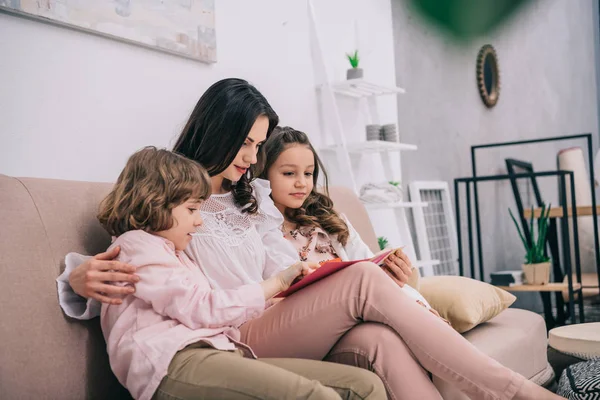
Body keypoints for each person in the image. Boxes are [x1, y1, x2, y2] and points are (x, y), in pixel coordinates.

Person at [59, 78, 561, 400]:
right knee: (362, 282)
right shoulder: (174, 193)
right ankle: (513, 393)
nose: (253, 158)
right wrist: (74, 277)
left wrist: (322, 274)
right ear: (216, 131)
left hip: (278, 315)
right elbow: (133, 249)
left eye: (259, 145)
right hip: (233, 331)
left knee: (377, 339)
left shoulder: (251, 193)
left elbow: (288, 259)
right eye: (247, 142)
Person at [92, 146, 386, 400]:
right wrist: (277, 282)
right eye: (193, 209)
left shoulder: (177, 254)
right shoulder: (135, 246)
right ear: (156, 202)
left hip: (219, 352)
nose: (198, 222)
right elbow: (202, 307)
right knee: (318, 396)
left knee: (364, 386)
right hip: (172, 364)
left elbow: (208, 301)